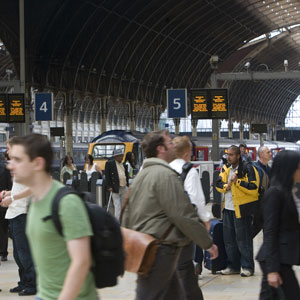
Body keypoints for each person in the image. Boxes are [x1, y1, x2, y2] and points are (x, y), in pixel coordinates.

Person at [122, 130, 218, 300]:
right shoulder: (165, 175)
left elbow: (128, 213)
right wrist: (207, 243)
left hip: (148, 248)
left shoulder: (141, 175)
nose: (174, 145)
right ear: (161, 149)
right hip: (160, 250)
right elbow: (183, 215)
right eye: (170, 143)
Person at [7, 134, 98, 300]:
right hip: (44, 295)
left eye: (17, 160)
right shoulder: (34, 202)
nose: (10, 165)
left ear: (37, 163)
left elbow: (82, 262)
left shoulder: (67, 203)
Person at [170, 136, 211, 300]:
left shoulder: (164, 168)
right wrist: (205, 221)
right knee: (184, 267)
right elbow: (195, 201)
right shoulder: (189, 171)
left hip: (164, 227)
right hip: (183, 228)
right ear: (187, 153)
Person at [256, 150, 300, 300]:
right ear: (289, 168)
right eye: (298, 166)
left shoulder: (290, 191)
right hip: (276, 259)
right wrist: (272, 269)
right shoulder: (275, 193)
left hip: (282, 258)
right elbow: (270, 232)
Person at [0, 137, 36, 296]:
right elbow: (21, 188)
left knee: (24, 252)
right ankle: (24, 282)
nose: (7, 151)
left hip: (22, 213)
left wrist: (12, 198)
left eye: (8, 148)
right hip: (15, 213)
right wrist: (8, 193)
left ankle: (32, 284)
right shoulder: (17, 165)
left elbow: (32, 188)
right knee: (18, 253)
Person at [216, 145, 259, 277]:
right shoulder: (226, 169)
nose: (228, 157)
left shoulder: (248, 168)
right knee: (229, 240)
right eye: (228, 154)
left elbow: (254, 188)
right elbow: (218, 184)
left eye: (231, 155)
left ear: (238, 156)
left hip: (241, 209)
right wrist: (225, 186)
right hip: (227, 208)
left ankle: (247, 267)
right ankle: (233, 266)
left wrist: (238, 182)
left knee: (243, 239)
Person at [252, 146, 272, 238]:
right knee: (255, 228)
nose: (270, 154)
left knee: (267, 231)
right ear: (261, 154)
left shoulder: (270, 169)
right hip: (257, 205)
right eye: (268, 152)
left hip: (267, 205)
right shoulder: (254, 169)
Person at [105, 148, 129, 220]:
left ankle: (122, 220)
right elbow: (107, 176)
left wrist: (127, 184)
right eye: (120, 156)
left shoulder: (124, 164)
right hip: (115, 187)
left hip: (124, 187)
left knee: (123, 205)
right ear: (115, 157)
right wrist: (109, 186)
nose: (121, 157)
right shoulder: (110, 163)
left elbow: (126, 175)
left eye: (122, 156)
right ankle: (117, 222)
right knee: (117, 205)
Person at [0, 152, 12, 262]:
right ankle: (3, 253)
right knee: (4, 228)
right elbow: (10, 186)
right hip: (4, 201)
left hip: (4, 199)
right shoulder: (6, 170)